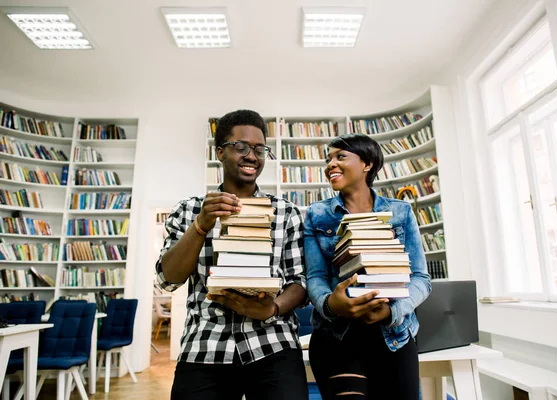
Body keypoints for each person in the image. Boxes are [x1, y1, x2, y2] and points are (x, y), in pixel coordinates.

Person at [155, 109, 308, 400]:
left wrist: (272, 308)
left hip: (273, 340)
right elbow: (168, 279)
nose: (252, 156)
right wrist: (201, 225)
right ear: (220, 152)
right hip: (205, 343)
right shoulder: (189, 210)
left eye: (259, 149)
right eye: (240, 147)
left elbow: (299, 282)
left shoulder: (286, 212)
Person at [304, 134, 431, 399]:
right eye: (328, 159)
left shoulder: (401, 212)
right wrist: (331, 305)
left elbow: (420, 278)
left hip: (394, 336)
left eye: (340, 156)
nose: (330, 164)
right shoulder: (316, 214)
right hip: (336, 338)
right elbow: (315, 277)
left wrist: (391, 311)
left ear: (367, 164)